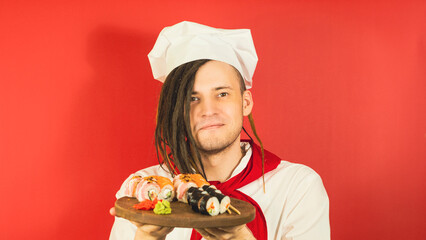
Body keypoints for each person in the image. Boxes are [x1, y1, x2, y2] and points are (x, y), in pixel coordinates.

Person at [109, 21, 330, 240]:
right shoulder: (142, 189)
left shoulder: (298, 187)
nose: (208, 110)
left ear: (245, 102)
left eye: (222, 94)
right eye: (192, 98)